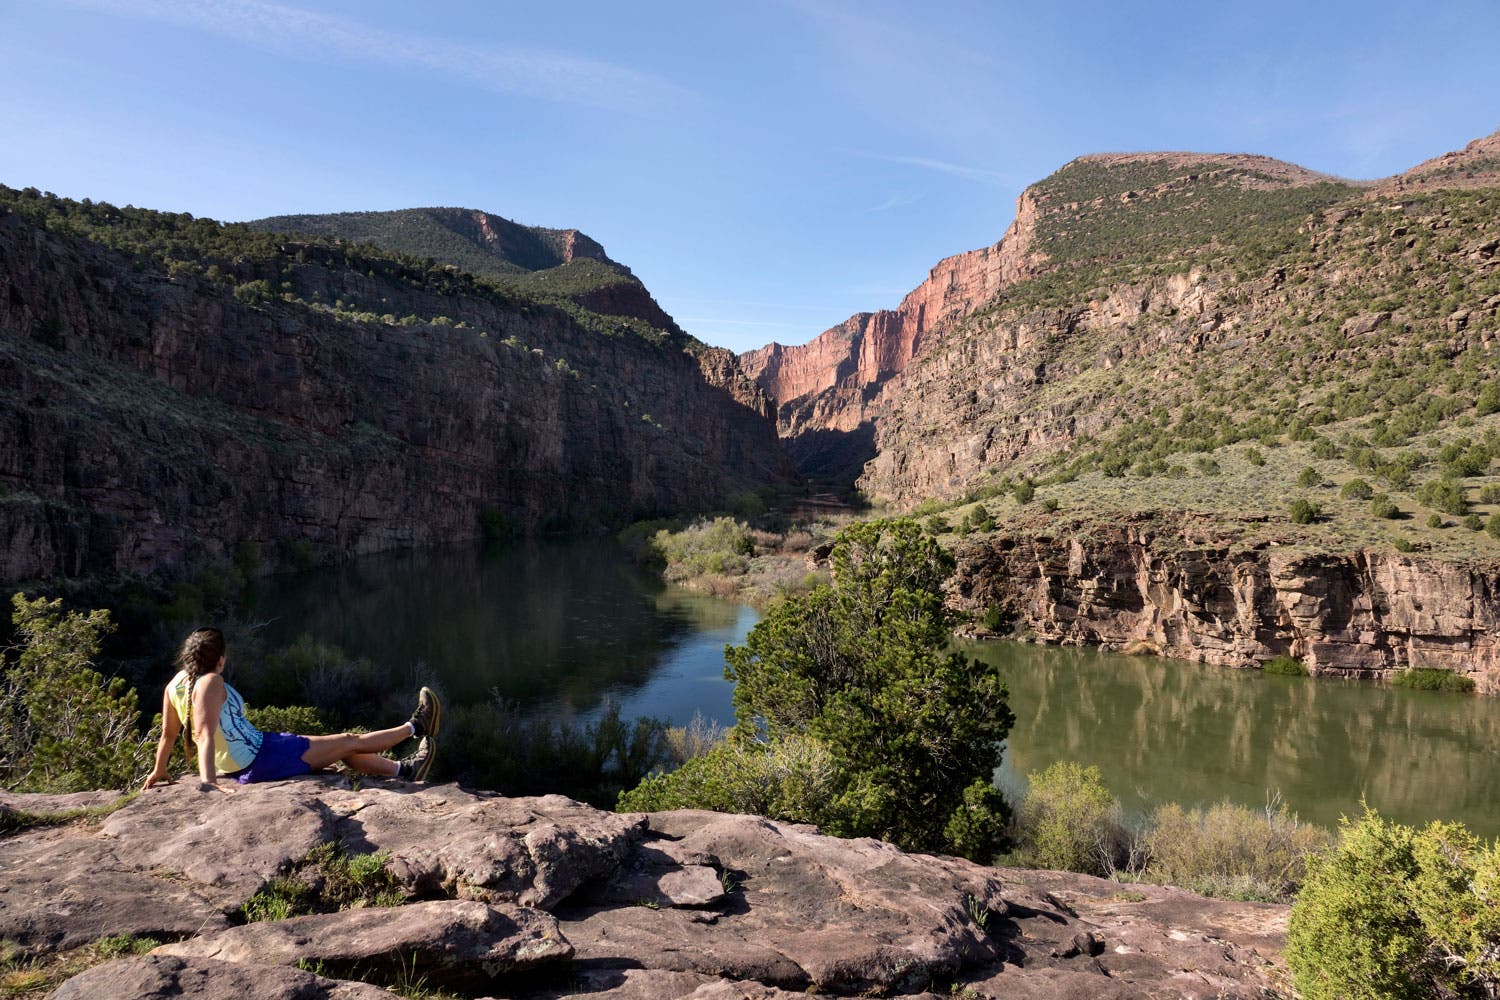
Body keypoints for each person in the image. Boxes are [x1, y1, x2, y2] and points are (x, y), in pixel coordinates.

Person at [142, 626, 439, 791]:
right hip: (259, 759)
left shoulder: (174, 685)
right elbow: (204, 734)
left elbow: (168, 735)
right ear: (220, 659)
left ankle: (405, 771)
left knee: (341, 748)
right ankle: (416, 726)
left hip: (260, 749)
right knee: (348, 741)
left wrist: (159, 770)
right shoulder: (211, 682)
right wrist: (208, 784)